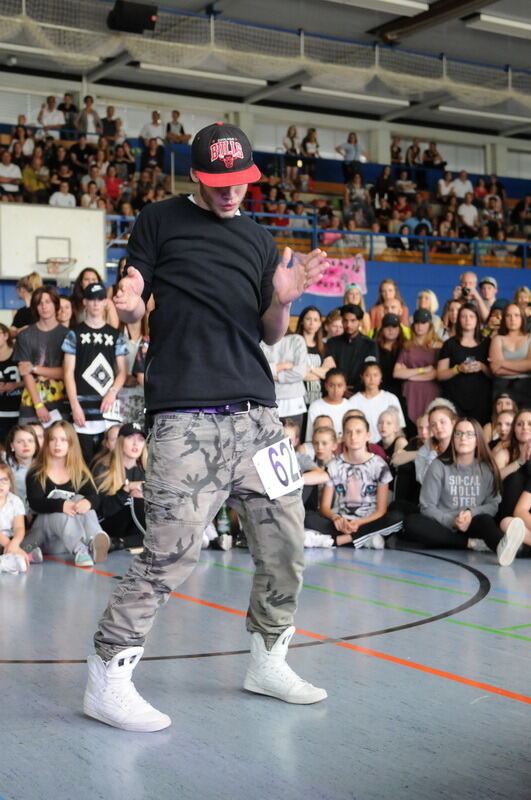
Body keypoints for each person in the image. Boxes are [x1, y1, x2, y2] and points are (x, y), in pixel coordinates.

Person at [84, 122, 329, 733]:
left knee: (285, 544)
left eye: (240, 183)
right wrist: (133, 302)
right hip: (186, 416)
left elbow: (270, 333)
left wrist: (283, 299)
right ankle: (108, 677)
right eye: (218, 184)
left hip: (257, 417)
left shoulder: (258, 240)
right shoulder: (159, 219)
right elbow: (136, 293)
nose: (231, 194)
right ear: (195, 175)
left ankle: (268, 661)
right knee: (169, 551)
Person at [403, 417, 524, 565]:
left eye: (469, 434)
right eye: (458, 434)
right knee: (412, 523)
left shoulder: (487, 469)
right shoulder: (438, 465)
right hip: (443, 525)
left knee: (485, 520)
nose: (463, 438)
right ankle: (472, 544)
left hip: (473, 522)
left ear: (477, 439)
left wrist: (471, 513)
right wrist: (452, 521)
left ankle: (504, 548)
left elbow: (493, 504)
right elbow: (427, 507)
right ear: (453, 438)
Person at [24, 420, 108, 567]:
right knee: (58, 499)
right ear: (47, 443)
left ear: (71, 444)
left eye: (63, 440)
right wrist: (62, 505)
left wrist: (87, 503)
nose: (58, 444)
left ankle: (94, 541)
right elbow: (35, 503)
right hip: (45, 538)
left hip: (65, 544)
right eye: (53, 439)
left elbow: (96, 498)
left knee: (82, 499)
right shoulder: (36, 472)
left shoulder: (80, 472)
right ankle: (79, 548)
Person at [62, 283, 128, 463]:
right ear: (85, 302)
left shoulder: (116, 335)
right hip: (82, 409)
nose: (96, 303)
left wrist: (112, 392)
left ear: (106, 302)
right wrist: (75, 406)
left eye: (100, 298)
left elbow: (123, 371)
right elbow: (68, 372)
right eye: (91, 299)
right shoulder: (74, 334)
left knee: (109, 463)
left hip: (108, 409)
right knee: (83, 463)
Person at [319, 414, 403, 548]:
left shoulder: (379, 465)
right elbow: (324, 507)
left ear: (368, 435)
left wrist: (359, 523)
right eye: (348, 432)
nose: (353, 436)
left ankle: (341, 540)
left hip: (369, 520)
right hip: (342, 521)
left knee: (397, 517)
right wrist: (336, 518)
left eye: (358, 432)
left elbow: (381, 510)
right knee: (308, 517)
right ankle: (366, 538)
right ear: (343, 437)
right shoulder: (334, 464)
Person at [13, 286, 67, 425]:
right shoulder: (25, 335)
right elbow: (25, 372)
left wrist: (34, 368)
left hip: (60, 399)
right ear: (35, 307)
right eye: (39, 303)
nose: (44, 306)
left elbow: (66, 372)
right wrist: (38, 405)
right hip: (31, 401)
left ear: (55, 304)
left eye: (48, 301)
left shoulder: (68, 335)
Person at [93, 422, 146, 552]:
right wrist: (126, 490)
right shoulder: (103, 468)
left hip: (133, 528)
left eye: (140, 439)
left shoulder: (143, 472)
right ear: (120, 441)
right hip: (109, 524)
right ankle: (117, 542)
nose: (135, 443)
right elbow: (102, 510)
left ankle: (119, 543)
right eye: (130, 438)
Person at [436, 303, 492, 425]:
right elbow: (440, 374)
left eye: (471, 316)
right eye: (463, 316)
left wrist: (482, 367)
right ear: (458, 319)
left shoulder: (487, 343)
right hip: (455, 398)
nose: (467, 320)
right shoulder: (449, 344)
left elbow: (494, 373)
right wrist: (458, 369)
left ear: (477, 319)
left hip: (481, 399)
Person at [393, 309, 442, 426]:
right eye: (417, 323)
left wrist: (410, 375)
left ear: (429, 325)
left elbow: (437, 373)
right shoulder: (407, 346)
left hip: (431, 392)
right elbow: (396, 373)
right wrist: (423, 370)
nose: (420, 326)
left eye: (423, 323)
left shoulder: (438, 345)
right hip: (410, 393)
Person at [323, 304, 377, 394]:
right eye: (345, 321)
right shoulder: (332, 343)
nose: (348, 325)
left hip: (362, 393)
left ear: (359, 321)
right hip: (335, 392)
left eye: (353, 321)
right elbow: (328, 370)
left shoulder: (370, 344)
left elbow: (371, 370)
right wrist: (341, 388)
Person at [349, 361, 405, 443]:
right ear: (362, 377)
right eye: (368, 375)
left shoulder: (391, 398)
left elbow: (399, 427)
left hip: (388, 445)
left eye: (375, 375)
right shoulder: (354, 401)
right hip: (363, 445)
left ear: (381, 377)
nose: (372, 379)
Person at [489, 303, 531, 407]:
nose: (513, 319)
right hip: (501, 386)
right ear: (504, 319)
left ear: (522, 318)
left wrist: (502, 363)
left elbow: (530, 365)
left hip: (527, 385)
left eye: (516, 315)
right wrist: (523, 366)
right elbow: (495, 369)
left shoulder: (530, 338)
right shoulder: (497, 339)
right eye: (509, 315)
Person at [0, 463, 34, 566]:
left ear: (10, 482)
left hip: (11, 539)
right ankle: (21, 555)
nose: (0, 484)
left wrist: (15, 543)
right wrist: (11, 546)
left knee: (36, 533)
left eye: (4, 480)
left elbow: (19, 527)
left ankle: (17, 554)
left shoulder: (15, 501)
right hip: (3, 540)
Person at [305, 368, 351, 442]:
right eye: (331, 385)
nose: (335, 390)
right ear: (326, 386)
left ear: (345, 387)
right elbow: (310, 437)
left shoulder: (350, 406)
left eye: (339, 385)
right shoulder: (316, 407)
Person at [294, 306, 327, 408]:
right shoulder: (293, 344)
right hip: (298, 401)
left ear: (320, 324)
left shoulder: (324, 347)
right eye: (308, 319)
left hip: (319, 401)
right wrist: (319, 372)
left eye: (315, 320)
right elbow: (294, 374)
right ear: (302, 321)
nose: (312, 323)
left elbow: (329, 373)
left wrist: (310, 369)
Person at [4, 423, 39, 512]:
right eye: (20, 441)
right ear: (12, 445)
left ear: (36, 444)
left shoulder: (45, 466)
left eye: (30, 441)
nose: (26, 445)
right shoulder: (4, 468)